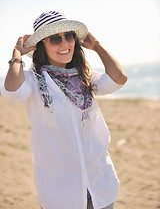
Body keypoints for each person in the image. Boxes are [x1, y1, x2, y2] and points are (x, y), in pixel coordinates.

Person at [1, 11, 127, 209]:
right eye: (54, 39)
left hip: (100, 184)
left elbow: (118, 79)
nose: (65, 43)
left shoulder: (85, 76)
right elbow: (13, 92)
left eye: (69, 36)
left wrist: (96, 46)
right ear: (42, 45)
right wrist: (16, 54)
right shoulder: (32, 80)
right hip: (59, 193)